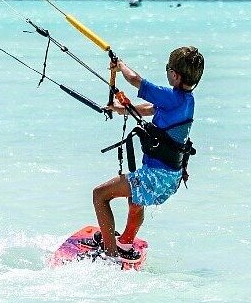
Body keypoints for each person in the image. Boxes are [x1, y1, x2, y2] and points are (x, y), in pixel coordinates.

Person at [87, 46, 203, 260]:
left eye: (168, 69)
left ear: (175, 75)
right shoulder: (187, 100)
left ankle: (111, 255)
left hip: (155, 176)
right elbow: (150, 108)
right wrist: (119, 108)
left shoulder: (172, 96)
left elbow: (137, 81)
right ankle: (124, 243)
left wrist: (120, 65)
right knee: (135, 201)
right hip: (171, 177)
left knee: (100, 195)